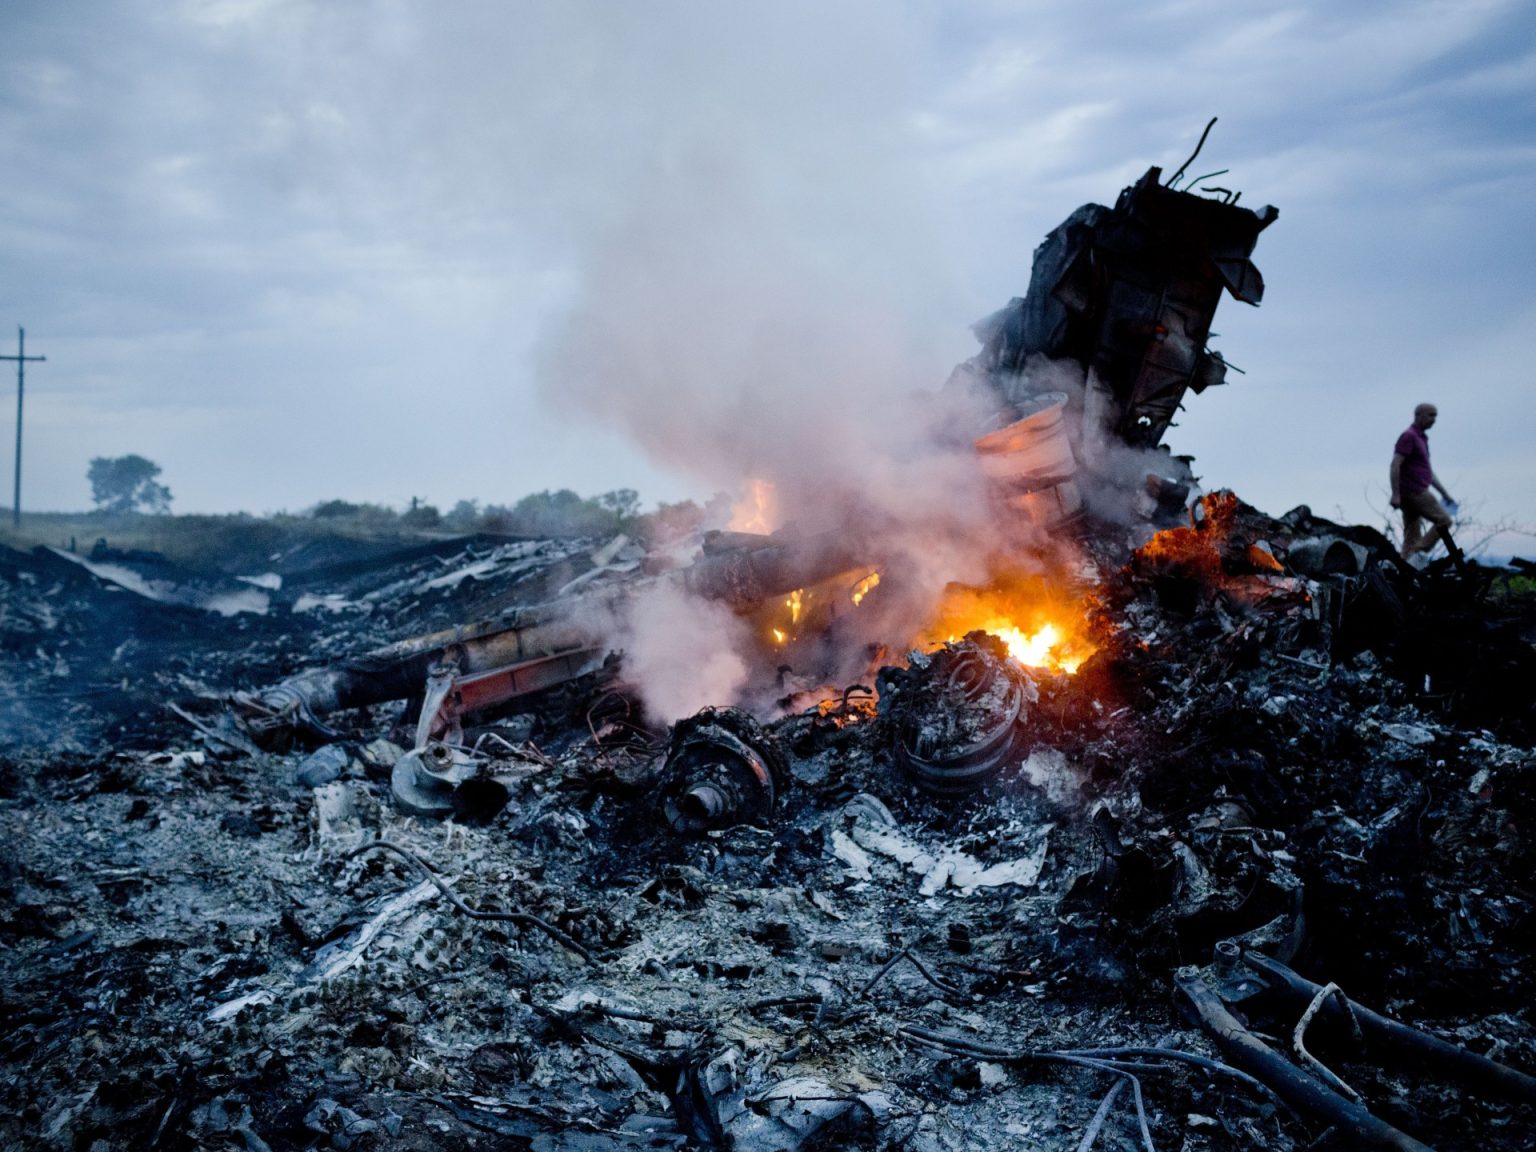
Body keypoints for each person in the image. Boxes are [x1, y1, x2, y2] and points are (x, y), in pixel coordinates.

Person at [1390, 402, 1459, 563]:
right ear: (1419, 414)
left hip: (1414, 490)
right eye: (1431, 415)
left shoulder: (1421, 438)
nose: (1434, 419)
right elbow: (1395, 464)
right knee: (1444, 520)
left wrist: (1445, 494)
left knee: (1411, 535)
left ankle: (1405, 569)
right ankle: (1418, 552)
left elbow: (1428, 472)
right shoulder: (1409, 436)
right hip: (1415, 491)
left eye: (1435, 416)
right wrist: (1395, 494)